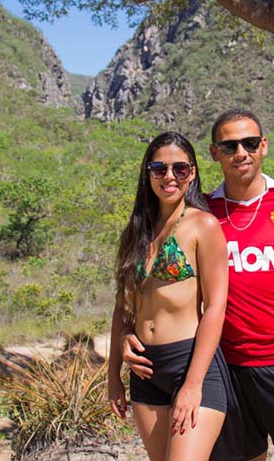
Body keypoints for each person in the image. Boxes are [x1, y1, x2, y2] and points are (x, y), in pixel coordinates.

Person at [123, 108, 274, 461]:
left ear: (264, 146)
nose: (241, 153)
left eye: (250, 143)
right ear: (214, 153)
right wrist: (133, 331)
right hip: (224, 366)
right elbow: (151, 281)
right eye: (230, 145)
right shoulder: (201, 212)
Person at [107, 132, 232, 461]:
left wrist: (192, 384)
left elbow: (216, 307)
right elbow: (123, 307)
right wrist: (114, 373)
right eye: (159, 168)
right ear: (147, 172)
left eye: (180, 169)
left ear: (192, 173)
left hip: (189, 363)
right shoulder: (136, 231)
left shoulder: (203, 225)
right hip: (144, 370)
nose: (169, 177)